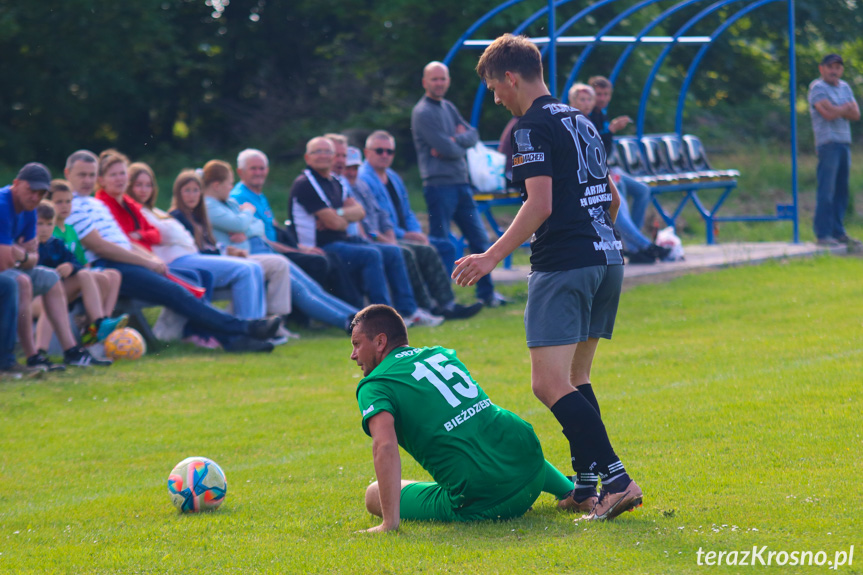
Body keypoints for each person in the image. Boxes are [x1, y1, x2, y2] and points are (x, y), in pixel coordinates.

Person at [456, 34, 643, 521]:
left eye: (495, 88)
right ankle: (585, 487)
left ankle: (618, 481)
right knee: (576, 378)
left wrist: (490, 256)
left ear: (510, 78)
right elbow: (613, 200)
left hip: (565, 263)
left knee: (547, 383)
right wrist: (596, 236)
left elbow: (539, 204)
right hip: (607, 257)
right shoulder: (580, 119)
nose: (496, 98)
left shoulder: (530, 127)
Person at [350, 304, 579, 532]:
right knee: (486, 428)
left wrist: (389, 524)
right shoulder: (440, 354)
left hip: (485, 500)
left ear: (380, 342)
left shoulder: (375, 383)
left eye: (357, 345)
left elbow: (384, 446)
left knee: (373, 494)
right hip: (531, 467)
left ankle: (544, 492)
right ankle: (570, 490)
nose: (353, 355)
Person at [63, 150, 281, 353]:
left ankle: (234, 339)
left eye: (91, 175)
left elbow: (124, 241)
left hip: (126, 263)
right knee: (177, 292)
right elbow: (101, 247)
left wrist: (150, 257)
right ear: (67, 174)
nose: (87, 181)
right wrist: (146, 262)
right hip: (109, 266)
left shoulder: (95, 204)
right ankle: (245, 329)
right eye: (82, 175)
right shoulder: (70, 205)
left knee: (192, 280)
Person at [290, 136, 443, 328]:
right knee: (371, 254)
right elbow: (339, 224)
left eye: (328, 152)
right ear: (307, 157)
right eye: (317, 152)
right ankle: (382, 318)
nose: (324, 156)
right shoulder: (306, 183)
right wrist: (342, 217)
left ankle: (408, 310)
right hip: (321, 246)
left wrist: (337, 214)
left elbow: (358, 213)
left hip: (345, 240)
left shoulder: (336, 181)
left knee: (394, 251)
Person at [204, 159, 359, 332]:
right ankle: (348, 324)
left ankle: (361, 317)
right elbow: (242, 224)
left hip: (263, 249)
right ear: (217, 185)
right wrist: (247, 213)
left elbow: (258, 226)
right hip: (248, 255)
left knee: (313, 287)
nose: (231, 187)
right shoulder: (211, 205)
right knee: (303, 292)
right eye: (229, 183)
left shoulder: (228, 202)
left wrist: (245, 224)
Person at [346, 146, 482, 321]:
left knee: (445, 246)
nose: (385, 155)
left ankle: (445, 303)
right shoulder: (356, 183)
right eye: (380, 151)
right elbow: (367, 231)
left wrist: (415, 232)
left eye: (390, 151)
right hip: (377, 239)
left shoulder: (379, 180)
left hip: (392, 236)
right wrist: (391, 237)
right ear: (367, 152)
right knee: (409, 252)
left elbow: (388, 215)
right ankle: (425, 307)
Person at [410, 62, 506, 307]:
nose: (439, 83)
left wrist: (454, 140)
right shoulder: (423, 113)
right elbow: (448, 148)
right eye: (434, 79)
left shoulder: (448, 107)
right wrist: (454, 143)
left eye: (443, 79)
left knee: (479, 239)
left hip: (461, 184)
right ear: (425, 82)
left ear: (448, 81)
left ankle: (486, 294)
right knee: (441, 243)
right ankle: (444, 300)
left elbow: (472, 136)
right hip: (438, 186)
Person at [1, 162, 110, 369]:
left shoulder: (30, 210)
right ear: (16, 183)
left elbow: (31, 258)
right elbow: (6, 260)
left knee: (50, 277)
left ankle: (71, 351)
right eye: (31, 190)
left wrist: (20, 253)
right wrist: (21, 254)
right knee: (22, 281)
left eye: (41, 192)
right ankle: (32, 355)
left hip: (13, 268)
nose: (35, 196)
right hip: (8, 273)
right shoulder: (3, 204)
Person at [231, 148, 363, 308]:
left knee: (328, 257)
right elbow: (261, 241)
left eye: (262, 168)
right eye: (253, 168)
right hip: (265, 252)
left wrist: (300, 247)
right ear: (240, 172)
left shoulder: (258, 195)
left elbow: (274, 230)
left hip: (276, 248)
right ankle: (309, 317)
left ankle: (353, 310)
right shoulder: (239, 197)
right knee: (317, 262)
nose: (259, 173)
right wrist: (297, 250)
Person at [568, 83, 670, 264]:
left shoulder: (597, 116)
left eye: (589, 99)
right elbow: (584, 154)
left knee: (635, 192)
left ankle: (635, 246)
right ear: (572, 101)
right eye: (583, 99)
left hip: (603, 171)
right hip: (586, 177)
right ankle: (642, 246)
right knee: (615, 201)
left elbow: (600, 151)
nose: (589, 102)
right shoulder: (571, 121)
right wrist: (611, 131)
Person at [34, 201, 128, 348]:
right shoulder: (27, 244)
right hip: (34, 298)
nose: (44, 229)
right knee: (50, 303)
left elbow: (76, 262)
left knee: (86, 274)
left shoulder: (55, 244)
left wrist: (70, 266)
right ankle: (40, 353)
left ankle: (98, 325)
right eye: (39, 224)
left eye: (49, 224)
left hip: (56, 292)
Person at [808, 53, 861, 247]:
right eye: (830, 67)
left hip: (844, 142)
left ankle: (838, 232)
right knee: (826, 190)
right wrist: (844, 108)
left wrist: (839, 109)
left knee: (841, 190)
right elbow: (827, 113)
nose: (834, 71)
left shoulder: (845, 87)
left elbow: (856, 114)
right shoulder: (817, 88)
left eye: (838, 67)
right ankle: (823, 234)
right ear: (822, 68)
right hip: (827, 143)